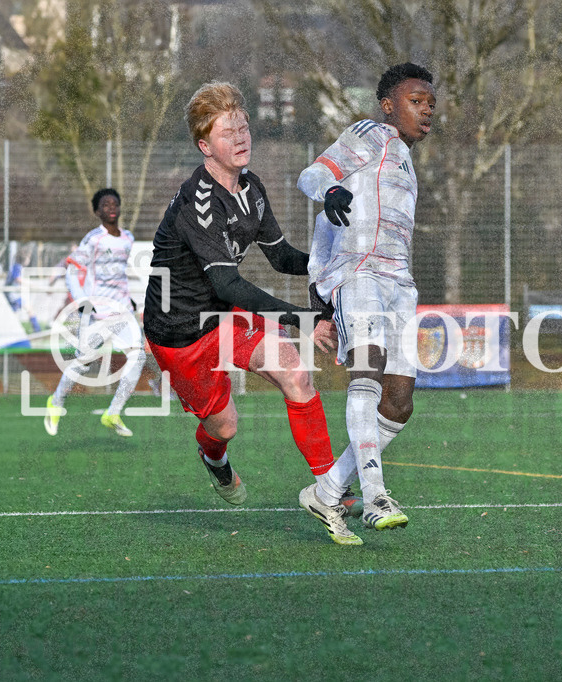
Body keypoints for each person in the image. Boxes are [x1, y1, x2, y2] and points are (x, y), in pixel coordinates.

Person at [141, 82, 362, 546]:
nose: (241, 137)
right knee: (224, 426)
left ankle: (330, 491)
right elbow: (227, 283)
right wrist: (302, 319)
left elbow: (280, 257)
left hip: (223, 314)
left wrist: (337, 262)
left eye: (243, 127)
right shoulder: (198, 203)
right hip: (180, 332)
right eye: (228, 132)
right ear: (205, 146)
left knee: (296, 375)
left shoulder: (252, 188)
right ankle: (213, 458)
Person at [296, 62, 436, 532]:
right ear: (388, 105)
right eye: (416, 101)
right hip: (358, 273)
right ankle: (375, 494)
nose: (427, 110)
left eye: (431, 103)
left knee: (399, 401)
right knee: (368, 369)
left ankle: (327, 491)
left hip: (399, 283)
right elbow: (311, 175)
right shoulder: (371, 134)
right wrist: (331, 189)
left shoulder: (405, 160)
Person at [44, 188, 145, 438]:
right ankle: (55, 402)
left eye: (115, 204)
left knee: (138, 356)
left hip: (122, 311)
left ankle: (113, 413)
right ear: (97, 211)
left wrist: (130, 300)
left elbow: (118, 275)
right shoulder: (94, 239)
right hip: (97, 312)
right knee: (84, 362)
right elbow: (71, 271)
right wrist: (82, 301)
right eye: (105, 205)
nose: (111, 208)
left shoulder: (128, 238)